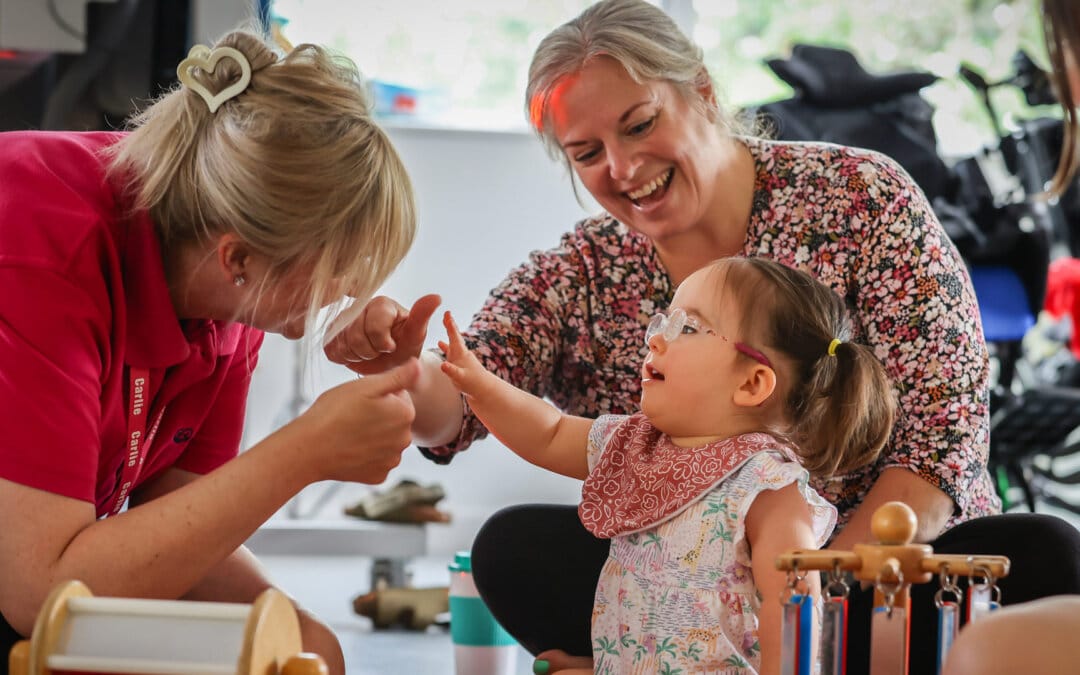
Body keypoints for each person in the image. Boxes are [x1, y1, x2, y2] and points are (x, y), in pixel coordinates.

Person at [326, 0, 1080, 672]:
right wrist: (408, 372)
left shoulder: (861, 196)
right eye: (586, 154)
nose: (622, 167)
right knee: (512, 546)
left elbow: (942, 439)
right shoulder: (586, 267)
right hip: (685, 596)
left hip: (880, 570)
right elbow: (465, 394)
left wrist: (816, 596)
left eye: (640, 123)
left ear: (704, 92)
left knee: (1044, 553)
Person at [0, 28, 420, 675]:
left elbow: (177, 531)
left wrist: (290, 625)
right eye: (338, 267)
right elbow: (43, 593)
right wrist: (305, 451)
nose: (348, 291)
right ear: (239, 258)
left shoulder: (230, 294)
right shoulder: (39, 247)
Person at [438, 256, 895, 674]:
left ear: (753, 383)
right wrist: (479, 384)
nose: (656, 337)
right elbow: (550, 431)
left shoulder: (766, 485)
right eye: (666, 319)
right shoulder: (636, 445)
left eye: (689, 328)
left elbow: (792, 604)